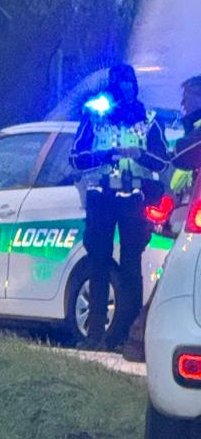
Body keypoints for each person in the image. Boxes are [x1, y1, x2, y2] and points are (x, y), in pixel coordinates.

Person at [70, 63, 168, 349]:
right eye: (118, 84)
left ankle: (127, 335)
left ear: (134, 86)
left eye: (128, 84)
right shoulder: (96, 115)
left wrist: (140, 154)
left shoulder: (148, 118)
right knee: (98, 264)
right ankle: (95, 336)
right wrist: (106, 155)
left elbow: (163, 161)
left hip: (134, 199)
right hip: (101, 197)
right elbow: (76, 157)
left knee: (130, 268)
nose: (123, 89)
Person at [169, 74, 201, 202]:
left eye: (187, 98)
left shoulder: (197, 133)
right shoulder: (194, 128)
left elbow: (181, 155)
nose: (183, 104)